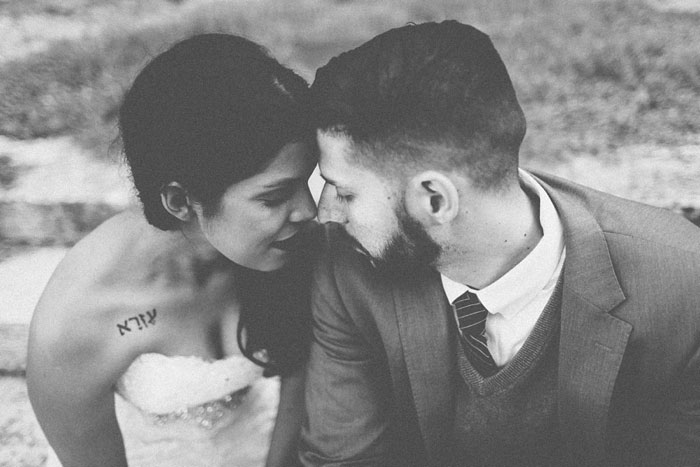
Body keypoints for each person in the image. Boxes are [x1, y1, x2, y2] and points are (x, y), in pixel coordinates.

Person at [300, 20, 700, 467]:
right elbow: (342, 459)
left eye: (345, 192)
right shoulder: (351, 271)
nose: (327, 214)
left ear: (434, 199)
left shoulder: (683, 290)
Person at [26, 33, 317, 467]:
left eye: (307, 181)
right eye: (275, 197)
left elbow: (301, 377)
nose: (309, 211)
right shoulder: (77, 323)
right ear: (180, 202)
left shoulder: (283, 246)